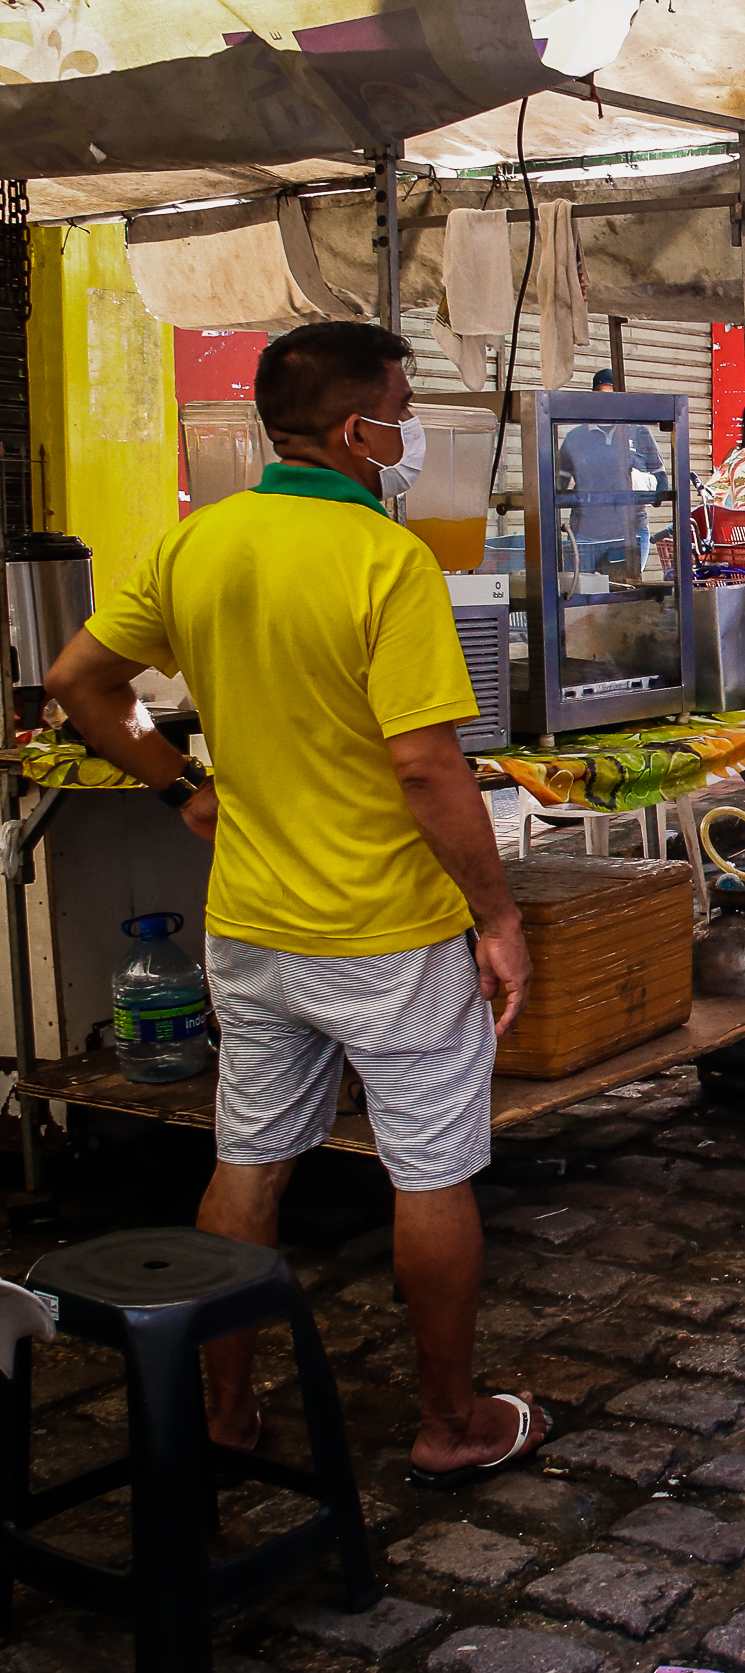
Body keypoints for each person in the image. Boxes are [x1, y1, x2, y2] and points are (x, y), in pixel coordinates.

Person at [45, 322, 544, 1485]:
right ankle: (451, 1420)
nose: (411, 430)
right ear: (353, 428)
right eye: (402, 407)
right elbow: (426, 765)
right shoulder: (386, 560)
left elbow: (79, 682)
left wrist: (185, 790)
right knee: (429, 1170)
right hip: (390, 931)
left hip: (252, 923)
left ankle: (224, 1409)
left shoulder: (198, 541)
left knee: (253, 1159)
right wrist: (500, 914)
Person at [556, 369, 664, 579]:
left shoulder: (638, 432)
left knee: (624, 597)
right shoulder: (575, 438)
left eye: (612, 396)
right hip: (585, 535)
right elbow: (558, 485)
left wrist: (655, 495)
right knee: (584, 597)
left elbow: (660, 474)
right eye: (601, 395)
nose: (607, 403)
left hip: (631, 534)